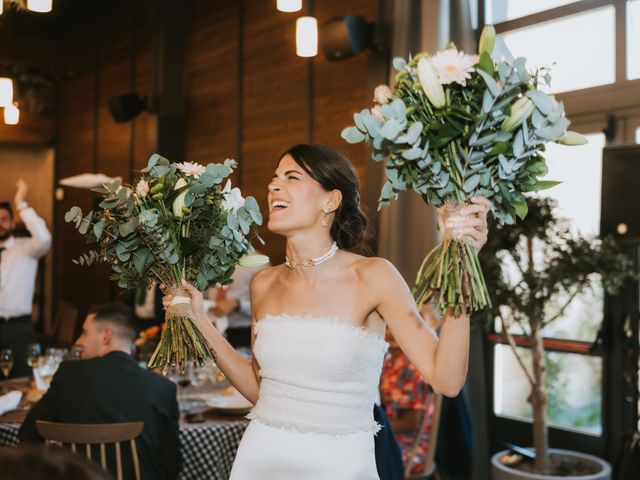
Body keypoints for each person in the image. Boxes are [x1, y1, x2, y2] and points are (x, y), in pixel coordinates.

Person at [165, 144, 490, 479]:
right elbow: (262, 390)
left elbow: (447, 380)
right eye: (275, 178)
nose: (273, 186)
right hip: (260, 462)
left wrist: (461, 263)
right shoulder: (263, 283)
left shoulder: (374, 276)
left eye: (291, 177)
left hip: (341, 468)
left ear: (330, 201)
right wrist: (199, 319)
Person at [19, 303, 180, 480]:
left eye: (84, 333)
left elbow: (28, 433)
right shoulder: (163, 388)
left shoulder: (69, 375)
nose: (78, 341)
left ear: (106, 336)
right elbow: (171, 465)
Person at [0, 179, 52, 378]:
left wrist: (21, 204)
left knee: (23, 380)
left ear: (12, 223)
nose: (0, 224)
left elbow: (45, 239)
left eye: (4, 219)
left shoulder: (27, 248)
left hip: (19, 329)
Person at [204, 258, 268, 348]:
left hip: (243, 334)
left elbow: (267, 305)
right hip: (210, 331)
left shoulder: (258, 262)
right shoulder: (208, 260)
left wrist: (239, 304)